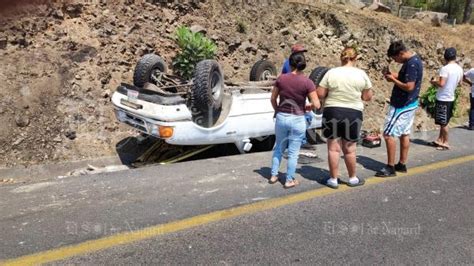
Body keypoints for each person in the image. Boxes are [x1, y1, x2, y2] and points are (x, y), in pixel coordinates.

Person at [317, 47, 373, 189]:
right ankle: (352, 178)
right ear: (356, 58)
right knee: (349, 149)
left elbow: (320, 93)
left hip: (332, 111)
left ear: (341, 57)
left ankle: (333, 179)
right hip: (353, 113)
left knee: (333, 148)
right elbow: (368, 97)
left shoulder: (331, 72)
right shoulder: (361, 74)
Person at [269, 52, 320, 188]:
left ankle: (274, 175)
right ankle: (289, 179)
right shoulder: (307, 82)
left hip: (281, 117)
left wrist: (277, 110)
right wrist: (308, 106)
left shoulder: (281, 79)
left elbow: (273, 98)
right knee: (293, 152)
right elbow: (317, 104)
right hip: (298, 119)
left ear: (289, 64)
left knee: (279, 147)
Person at [376, 40, 423, 177]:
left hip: (402, 104)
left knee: (388, 134)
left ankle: (390, 167)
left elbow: (409, 86)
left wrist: (393, 81)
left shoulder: (411, 64)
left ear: (401, 53)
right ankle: (401, 164)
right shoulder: (413, 60)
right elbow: (406, 78)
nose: (396, 61)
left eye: (396, 58)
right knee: (404, 133)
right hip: (410, 103)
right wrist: (392, 75)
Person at [429, 47, 464, 149]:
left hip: (443, 98)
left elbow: (441, 83)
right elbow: (460, 83)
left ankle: (446, 142)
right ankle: (440, 139)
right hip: (451, 97)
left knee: (443, 123)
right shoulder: (459, 69)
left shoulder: (445, 69)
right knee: (443, 121)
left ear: (445, 57)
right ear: (455, 56)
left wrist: (433, 82)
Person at [282, 44, 314, 149]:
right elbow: (292, 79)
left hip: (292, 94)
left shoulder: (291, 64)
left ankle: (300, 140)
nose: (303, 55)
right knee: (304, 116)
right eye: (300, 53)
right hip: (293, 95)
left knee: (304, 117)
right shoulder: (289, 64)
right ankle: (301, 141)